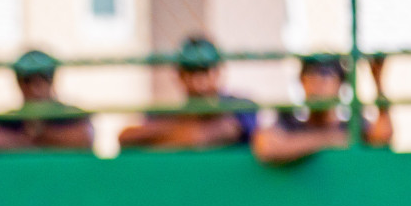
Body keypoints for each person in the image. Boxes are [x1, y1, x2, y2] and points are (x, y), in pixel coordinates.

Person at [119, 35, 258, 151]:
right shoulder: (166, 112)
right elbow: (126, 137)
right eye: (191, 71)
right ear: (180, 75)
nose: (199, 80)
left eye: (205, 70)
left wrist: (160, 138)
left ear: (218, 72)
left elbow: (199, 137)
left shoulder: (240, 106)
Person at [252, 53, 392, 165]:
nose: (317, 83)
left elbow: (383, 136)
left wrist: (378, 83)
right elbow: (266, 146)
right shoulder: (289, 122)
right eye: (310, 75)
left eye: (326, 75)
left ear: (340, 85)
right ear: (302, 82)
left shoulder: (353, 125)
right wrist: (333, 139)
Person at [0, 50, 95, 154]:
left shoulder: (69, 114)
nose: (34, 88)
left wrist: (42, 136)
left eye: (43, 78)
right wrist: (25, 139)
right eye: (27, 80)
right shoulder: (8, 119)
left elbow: (85, 138)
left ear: (51, 81)